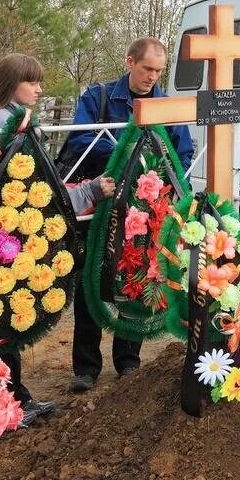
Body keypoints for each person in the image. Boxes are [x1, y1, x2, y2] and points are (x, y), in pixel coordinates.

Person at [0, 53, 116, 427]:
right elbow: (45, 190)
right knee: (2, 316)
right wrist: (91, 191)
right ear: (10, 85)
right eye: (31, 82)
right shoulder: (11, 124)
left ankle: (9, 398)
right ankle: (7, 405)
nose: (39, 89)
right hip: (2, 237)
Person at [62, 37, 194, 393]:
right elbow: (79, 141)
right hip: (101, 205)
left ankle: (128, 361)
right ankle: (86, 368)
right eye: (147, 68)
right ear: (130, 61)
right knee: (93, 279)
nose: (152, 76)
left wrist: (161, 184)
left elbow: (182, 153)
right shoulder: (98, 97)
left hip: (146, 208)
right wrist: (130, 156)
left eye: (158, 71)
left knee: (137, 278)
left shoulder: (168, 105)